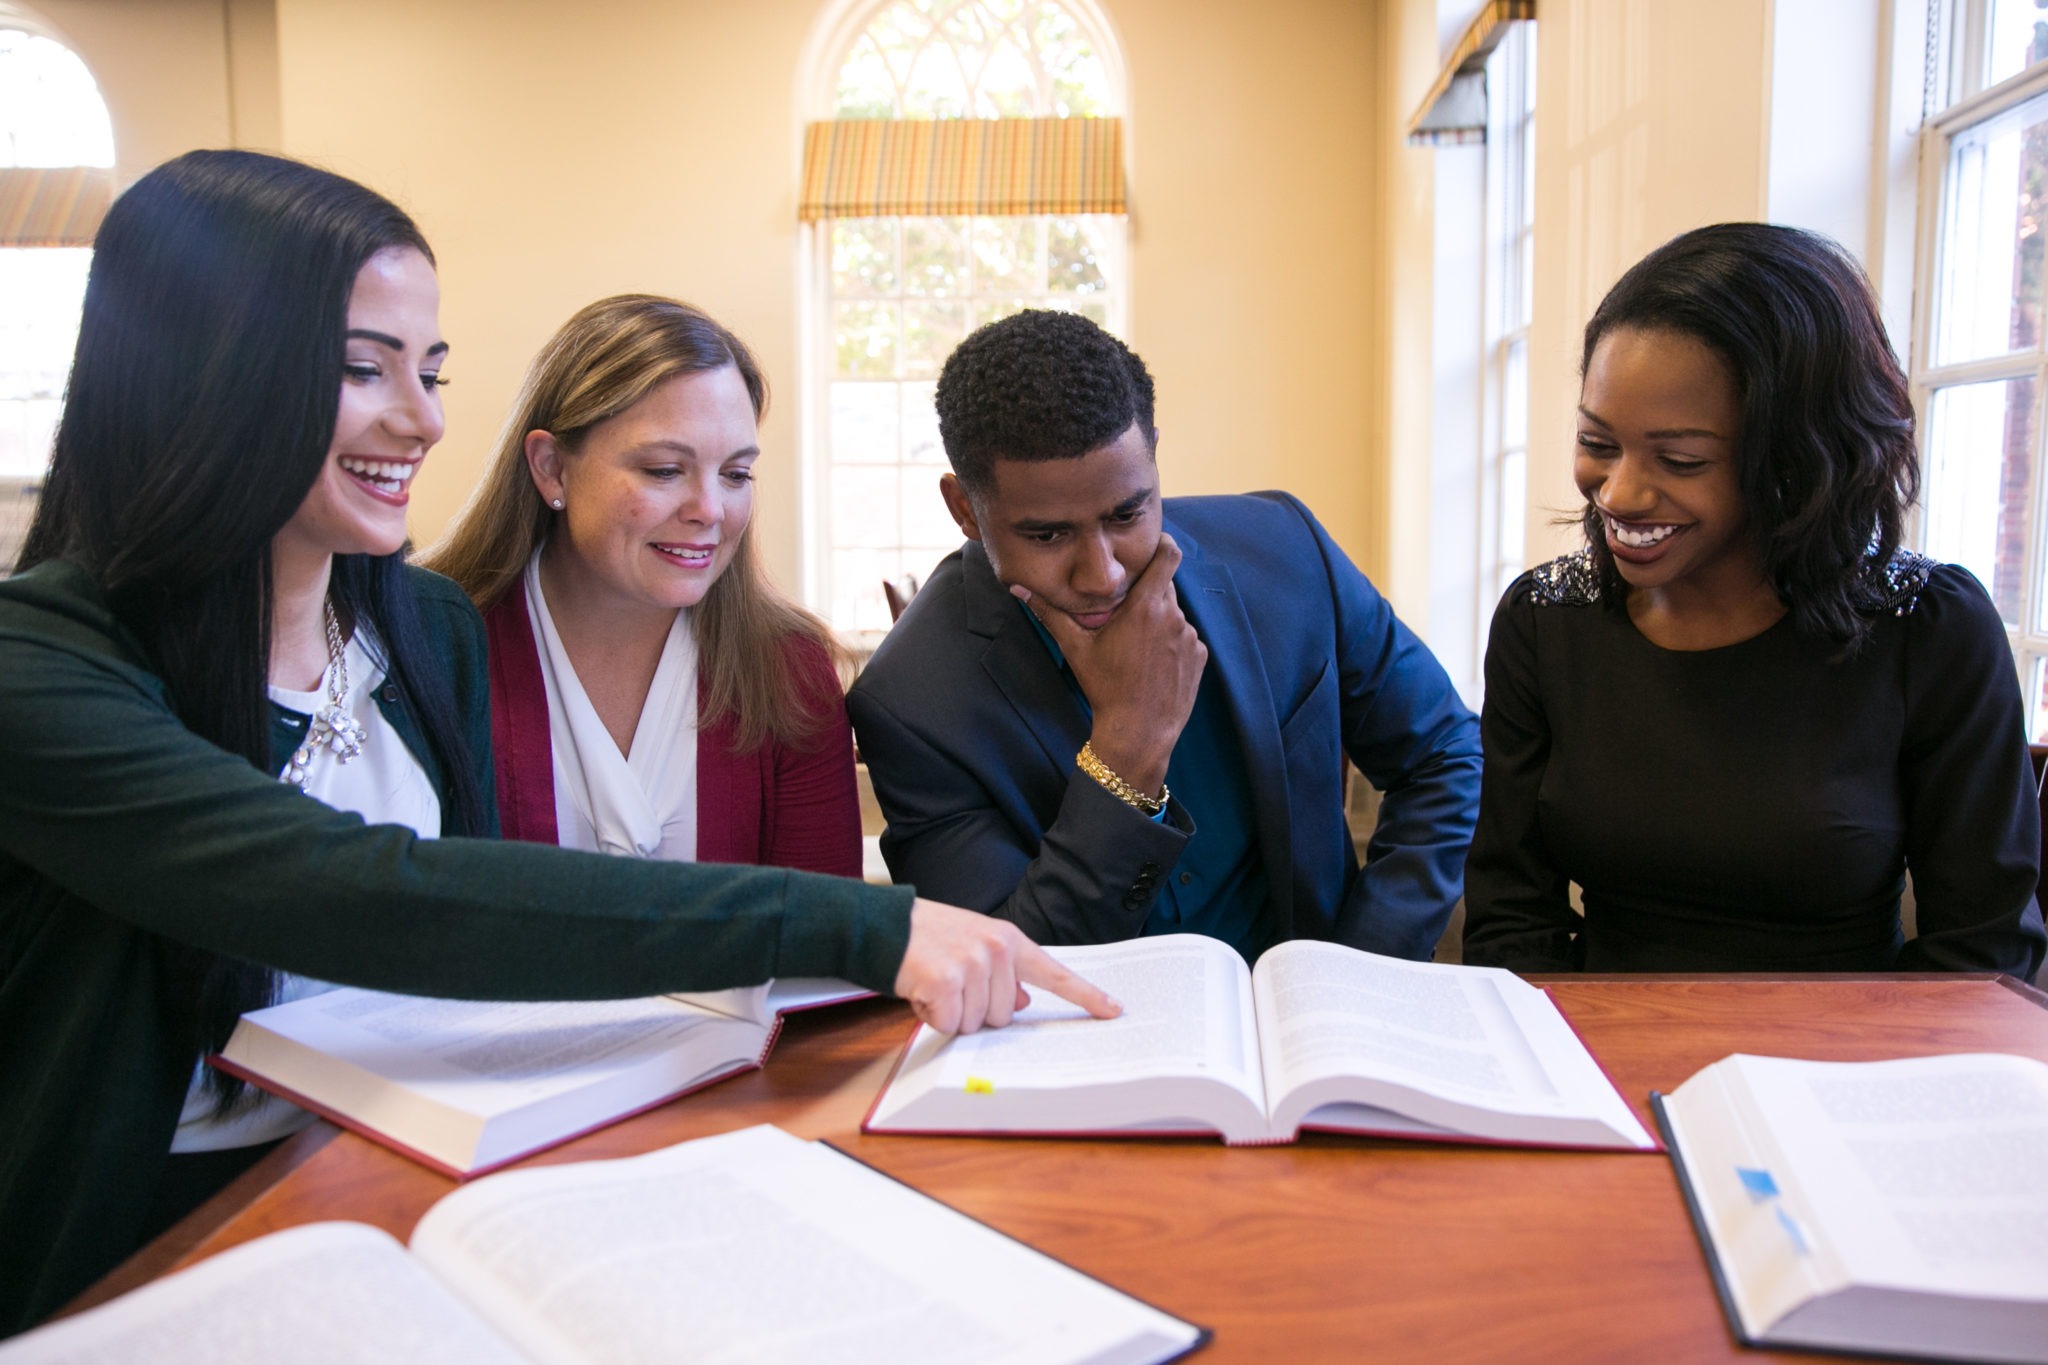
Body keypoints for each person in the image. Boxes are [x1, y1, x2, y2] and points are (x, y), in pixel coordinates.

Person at [0, 150, 1113, 1336]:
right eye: (363, 370)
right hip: (153, 1251)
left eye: (430, 370)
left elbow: (468, 988)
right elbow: (372, 898)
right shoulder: (40, 667)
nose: (423, 418)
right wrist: (861, 920)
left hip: (412, 1188)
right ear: (201, 374)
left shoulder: (415, 629)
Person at [1461, 222, 2047, 977]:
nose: (1620, 493)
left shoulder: (1930, 629)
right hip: (1597, 1064)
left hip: (1845, 1072)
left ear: (1797, 459)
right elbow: (1511, 925)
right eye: (1598, 443)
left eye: (1679, 459)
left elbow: (1983, 955)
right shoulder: (1544, 621)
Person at [847, 309, 1482, 962]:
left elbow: (1445, 753)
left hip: (1316, 1029)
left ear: (1154, 457)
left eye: (1127, 513)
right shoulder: (908, 701)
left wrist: (1361, 970)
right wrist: (1126, 753)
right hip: (1088, 1049)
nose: (1101, 573)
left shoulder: (1286, 551)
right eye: (1047, 534)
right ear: (965, 511)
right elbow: (1007, 964)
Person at [421, 296, 857, 874]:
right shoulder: (433, 647)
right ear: (551, 467)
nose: (710, 510)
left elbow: (823, 932)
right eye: (664, 470)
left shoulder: (787, 671)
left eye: (736, 474)